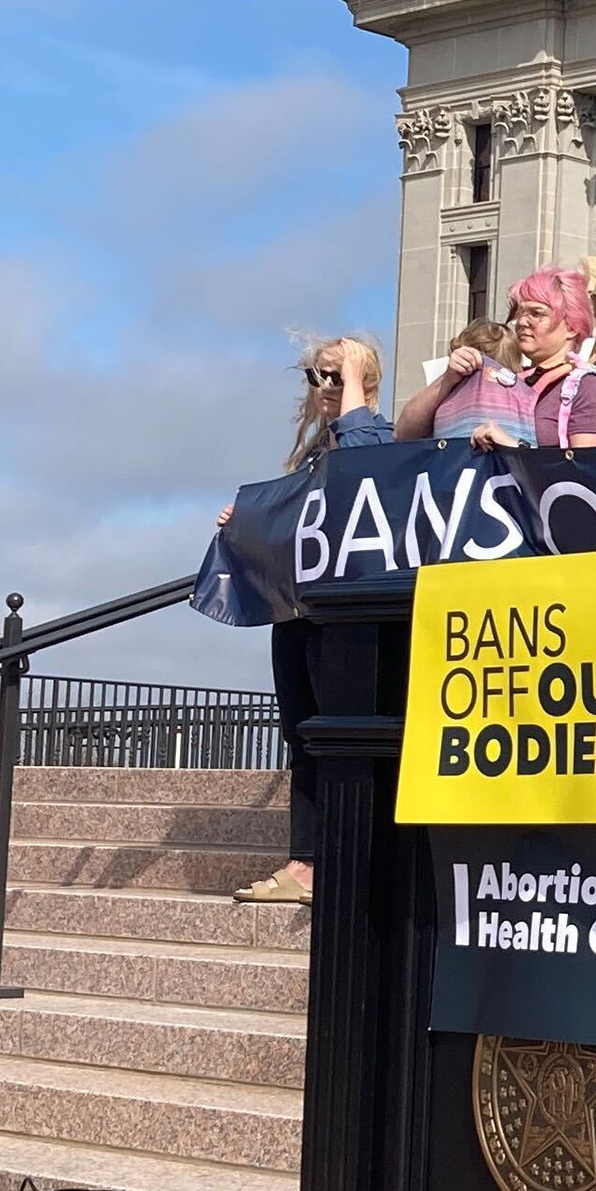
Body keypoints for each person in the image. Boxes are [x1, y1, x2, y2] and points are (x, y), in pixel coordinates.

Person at [230, 337, 394, 906]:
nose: (322, 387)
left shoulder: (374, 434)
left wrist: (353, 381)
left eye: (335, 375)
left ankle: (332, 861)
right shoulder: (314, 449)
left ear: (364, 380)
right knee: (301, 733)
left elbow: (365, 466)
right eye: (315, 376)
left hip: (343, 612)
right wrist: (249, 521)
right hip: (298, 606)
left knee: (334, 735)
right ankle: (304, 861)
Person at [394, 269, 596, 450]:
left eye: (536, 313)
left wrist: (514, 448)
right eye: (520, 313)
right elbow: (404, 434)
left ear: (571, 326)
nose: (522, 322)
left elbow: (591, 481)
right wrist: (449, 379)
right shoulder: (507, 379)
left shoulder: (587, 390)